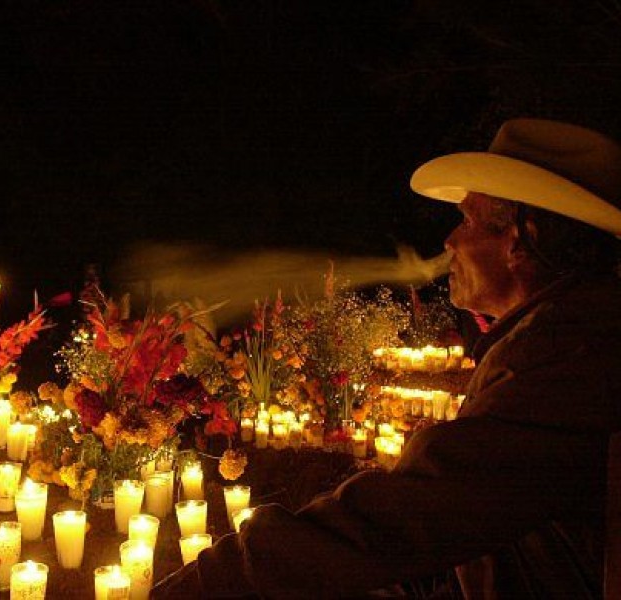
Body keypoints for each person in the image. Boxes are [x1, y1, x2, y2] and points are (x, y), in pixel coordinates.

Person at [151, 118, 621, 598]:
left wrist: (209, 583)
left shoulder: (568, 356)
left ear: (521, 238)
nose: (450, 241)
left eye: (468, 220)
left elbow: (412, 514)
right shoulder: (562, 335)